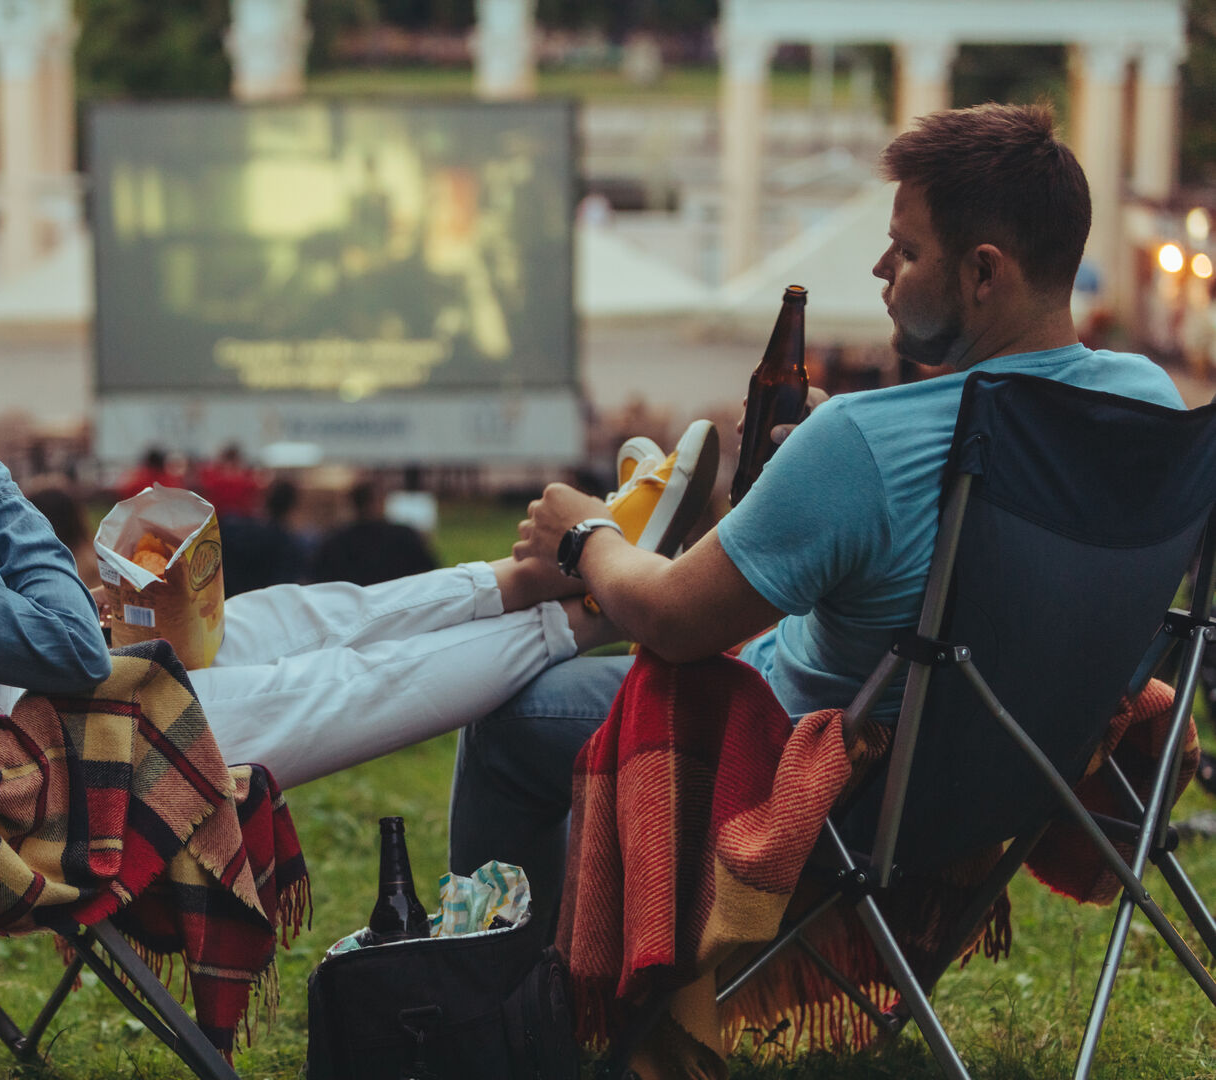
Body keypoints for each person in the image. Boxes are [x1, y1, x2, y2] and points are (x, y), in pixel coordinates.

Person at [447, 103, 1190, 920]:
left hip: (832, 787)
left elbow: (672, 621)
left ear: (985, 273)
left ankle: (509, 980)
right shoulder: (1147, 403)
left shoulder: (861, 446)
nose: (880, 267)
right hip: (1020, 780)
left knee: (504, 727)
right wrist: (834, 459)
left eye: (907, 250)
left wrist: (585, 535)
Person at [0, 233, 627, 790]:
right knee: (327, 682)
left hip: (16, 710)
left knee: (292, 621)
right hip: (27, 752)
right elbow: (70, 652)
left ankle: (525, 583)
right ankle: (590, 609)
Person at [308, 481, 439, 587]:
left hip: (352, 609)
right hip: (397, 605)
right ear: (379, 502)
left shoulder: (335, 539)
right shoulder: (404, 535)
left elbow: (319, 580)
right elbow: (428, 572)